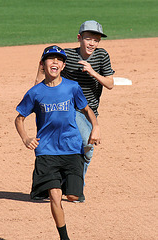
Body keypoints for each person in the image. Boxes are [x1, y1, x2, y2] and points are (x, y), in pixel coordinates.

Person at [15, 45, 100, 240]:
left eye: (59, 60)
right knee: (54, 195)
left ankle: (61, 181)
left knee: (73, 196)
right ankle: (64, 238)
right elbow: (19, 118)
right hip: (46, 150)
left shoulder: (72, 87)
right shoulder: (35, 93)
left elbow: (87, 110)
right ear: (42, 65)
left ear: (63, 65)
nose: (55, 62)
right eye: (50, 59)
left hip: (71, 148)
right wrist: (26, 138)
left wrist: (96, 126)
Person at [35, 20, 115, 202]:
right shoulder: (68, 56)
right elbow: (46, 61)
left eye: (96, 39)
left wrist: (93, 72)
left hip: (91, 110)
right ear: (79, 38)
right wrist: (38, 87)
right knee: (87, 145)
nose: (92, 43)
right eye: (88, 39)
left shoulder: (102, 56)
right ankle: (75, 189)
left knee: (83, 149)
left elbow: (110, 84)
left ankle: (70, 185)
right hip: (71, 109)